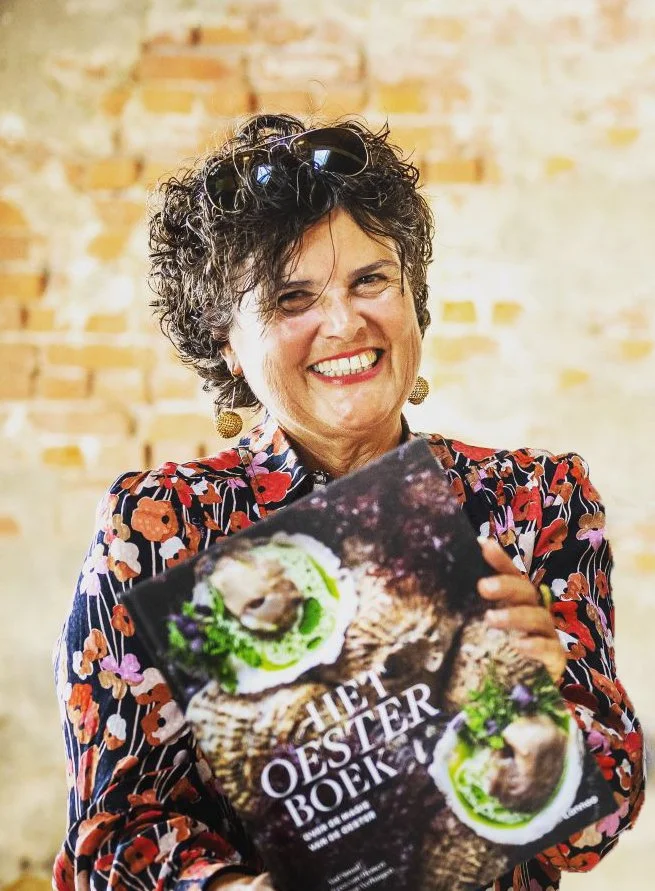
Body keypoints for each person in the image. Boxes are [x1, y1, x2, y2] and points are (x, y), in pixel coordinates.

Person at [52, 113, 644, 891]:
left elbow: (591, 832)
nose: (343, 322)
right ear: (227, 340)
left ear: (412, 297)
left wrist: (546, 697)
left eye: (370, 280)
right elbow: (111, 838)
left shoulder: (532, 501)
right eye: (291, 297)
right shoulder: (161, 527)